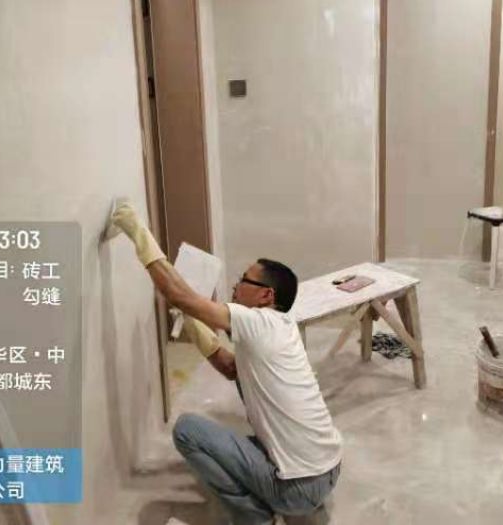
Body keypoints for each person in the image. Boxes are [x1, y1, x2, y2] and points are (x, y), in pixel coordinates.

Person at [112, 203, 341, 525]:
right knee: (239, 439)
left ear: (266, 296)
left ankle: (254, 517)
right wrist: (193, 323)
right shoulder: (279, 329)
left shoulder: (258, 321)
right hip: (328, 469)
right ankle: (293, 502)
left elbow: (178, 295)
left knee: (188, 431)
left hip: (299, 487)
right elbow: (231, 368)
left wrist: (139, 233)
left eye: (244, 279)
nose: (235, 285)